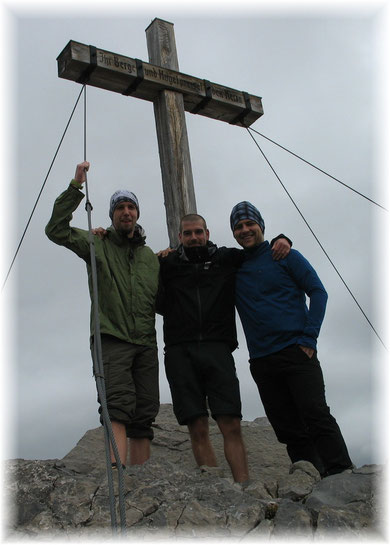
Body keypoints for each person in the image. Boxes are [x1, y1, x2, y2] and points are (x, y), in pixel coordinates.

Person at [158, 213, 292, 482]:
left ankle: (244, 487)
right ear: (180, 237)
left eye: (198, 232)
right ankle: (215, 490)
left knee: (230, 423)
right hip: (179, 352)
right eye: (188, 233)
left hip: (218, 350)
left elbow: (258, 251)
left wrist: (282, 239)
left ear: (207, 233)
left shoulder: (226, 259)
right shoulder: (167, 263)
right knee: (197, 427)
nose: (194, 237)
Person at [45, 161, 160, 469]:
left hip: (146, 343)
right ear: (111, 215)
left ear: (137, 213)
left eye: (131, 207)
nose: (126, 211)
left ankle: (142, 482)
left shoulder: (151, 257)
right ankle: (117, 476)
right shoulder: (98, 242)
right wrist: (75, 186)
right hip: (112, 338)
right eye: (120, 207)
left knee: (145, 413)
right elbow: (55, 231)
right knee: (118, 407)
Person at [230, 201, 353, 477]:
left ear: (261, 225)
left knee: (316, 414)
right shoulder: (234, 266)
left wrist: (309, 338)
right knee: (287, 428)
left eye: (250, 224)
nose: (245, 230)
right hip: (261, 360)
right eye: (239, 226)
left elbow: (318, 292)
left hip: (297, 351)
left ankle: (342, 474)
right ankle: (309, 480)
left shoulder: (285, 255)